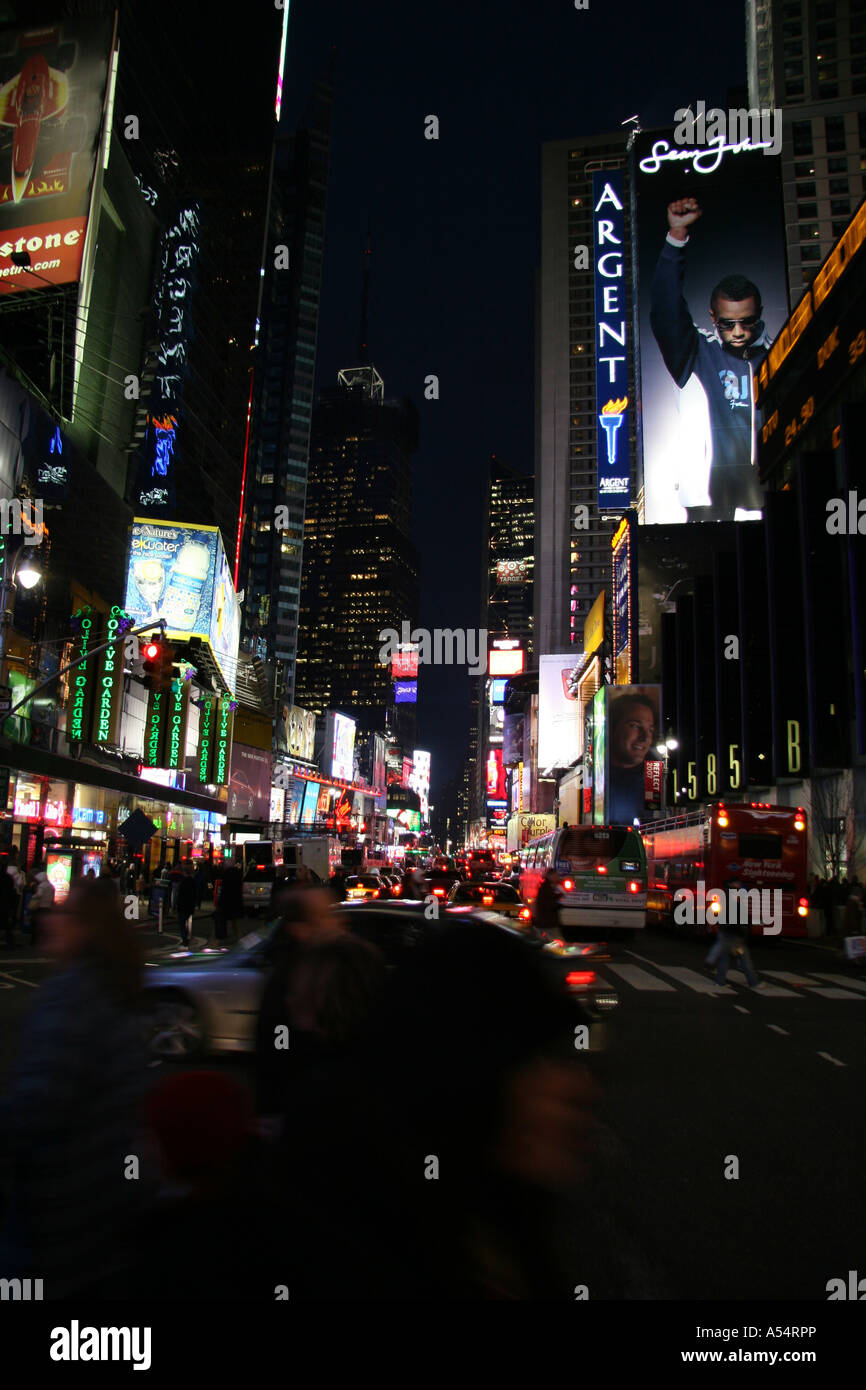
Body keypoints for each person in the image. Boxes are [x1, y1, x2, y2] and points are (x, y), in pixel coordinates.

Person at [0, 879, 156, 1297]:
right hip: (102, 1213)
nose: (53, 921)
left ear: (87, 926)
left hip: (54, 1220)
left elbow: (36, 1107)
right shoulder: (120, 986)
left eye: (66, 913)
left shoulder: (71, 996)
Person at [650, 197, 771, 521]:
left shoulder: (778, 357)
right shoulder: (695, 353)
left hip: (767, 498)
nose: (739, 331)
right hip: (708, 503)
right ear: (712, 317)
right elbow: (664, 310)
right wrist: (676, 239)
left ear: (759, 315)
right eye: (727, 323)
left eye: (748, 321)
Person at [608, 694, 656, 825]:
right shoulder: (596, 775)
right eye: (635, 726)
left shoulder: (653, 773)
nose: (645, 737)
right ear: (612, 728)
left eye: (650, 730)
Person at [27, 861, 54, 950]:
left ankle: (34, 942)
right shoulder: (51, 886)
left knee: (36, 926)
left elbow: (38, 895)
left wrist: (33, 896)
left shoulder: (41, 886)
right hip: (48, 908)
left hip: (40, 908)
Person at [216, 860, 243, 940]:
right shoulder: (238, 874)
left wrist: (219, 902)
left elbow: (224, 890)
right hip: (236, 902)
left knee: (221, 922)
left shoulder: (226, 874)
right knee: (235, 923)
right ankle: (240, 940)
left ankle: (216, 942)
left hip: (226, 902)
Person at [532, 867, 562, 935]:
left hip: (545, 922)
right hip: (548, 923)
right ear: (551, 876)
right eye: (555, 876)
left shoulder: (546, 886)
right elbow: (549, 903)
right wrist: (558, 904)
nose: (557, 878)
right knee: (556, 942)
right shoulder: (547, 887)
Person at [176, 863, 197, 948]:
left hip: (183, 905)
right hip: (189, 905)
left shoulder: (183, 882)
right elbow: (194, 894)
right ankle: (186, 937)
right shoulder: (192, 882)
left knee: (181, 922)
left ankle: (185, 939)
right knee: (186, 921)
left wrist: (177, 904)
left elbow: (180, 894)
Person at [0, 859, 18, 948]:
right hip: (5, 903)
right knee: (6, 923)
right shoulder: (8, 878)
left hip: (4, 902)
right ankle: (9, 940)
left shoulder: (7, 878)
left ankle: (9, 939)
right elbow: (12, 891)